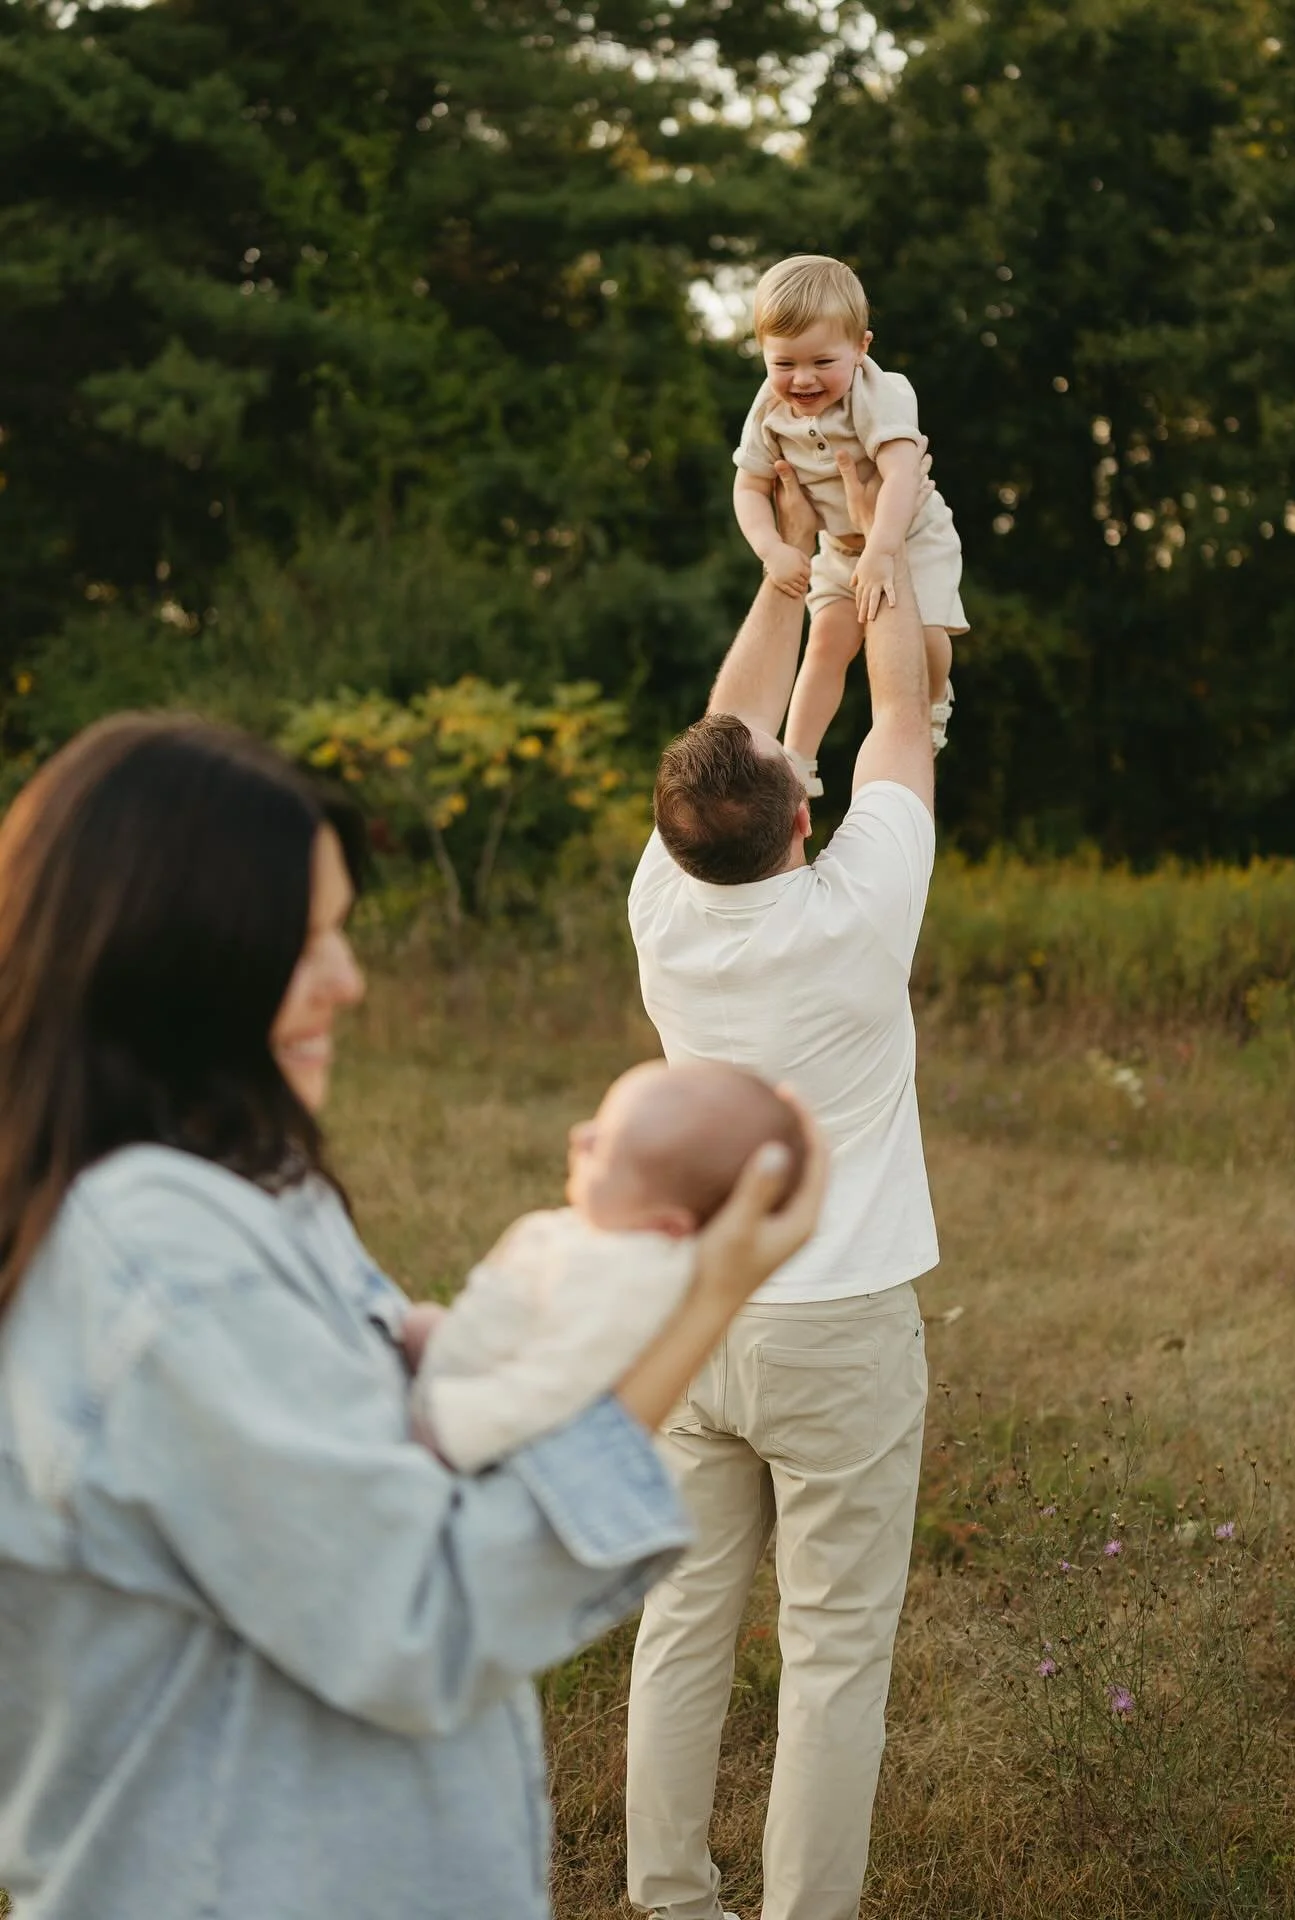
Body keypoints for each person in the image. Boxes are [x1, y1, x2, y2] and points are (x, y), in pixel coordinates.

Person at [0, 715, 826, 1920]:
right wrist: (701, 1299)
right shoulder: (157, 1256)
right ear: (178, 960)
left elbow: (421, 1449)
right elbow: (423, 1612)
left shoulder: (250, 1192)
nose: (350, 980)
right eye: (308, 942)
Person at [625, 450, 939, 1920]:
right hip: (839, 1322)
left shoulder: (662, 905)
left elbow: (750, 722)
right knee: (831, 1651)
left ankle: (669, 1898)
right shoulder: (861, 902)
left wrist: (791, 567)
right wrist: (892, 519)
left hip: (695, 1315)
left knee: (681, 1617)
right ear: (796, 817)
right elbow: (904, 712)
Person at [408, 1060, 806, 1472]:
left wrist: (446, 1428)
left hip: (469, 1421)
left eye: (601, 1148)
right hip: (468, 1361)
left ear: (665, 1224)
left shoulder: (625, 1284)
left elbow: (554, 1385)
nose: (579, 1136)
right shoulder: (610, 1232)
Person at [730, 252, 967, 796]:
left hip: (910, 535)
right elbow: (748, 485)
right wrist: (772, 547)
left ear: (862, 347)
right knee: (827, 643)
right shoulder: (768, 408)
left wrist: (884, 550)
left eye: (821, 361)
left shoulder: (880, 392)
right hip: (838, 547)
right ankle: (797, 760)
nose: (803, 379)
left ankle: (932, 701)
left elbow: (901, 472)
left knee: (926, 633)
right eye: (784, 363)